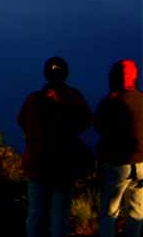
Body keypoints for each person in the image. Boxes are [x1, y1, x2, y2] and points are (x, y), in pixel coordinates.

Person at [18, 56, 92, 237]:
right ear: (66, 74)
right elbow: (86, 121)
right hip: (64, 166)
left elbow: (22, 121)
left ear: (45, 74)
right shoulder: (75, 98)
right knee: (60, 215)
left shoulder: (33, 99)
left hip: (37, 164)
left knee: (36, 213)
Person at [95, 59, 143, 237]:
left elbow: (98, 126)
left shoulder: (111, 102)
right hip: (142, 163)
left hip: (118, 164)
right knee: (137, 211)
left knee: (110, 211)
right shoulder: (141, 99)